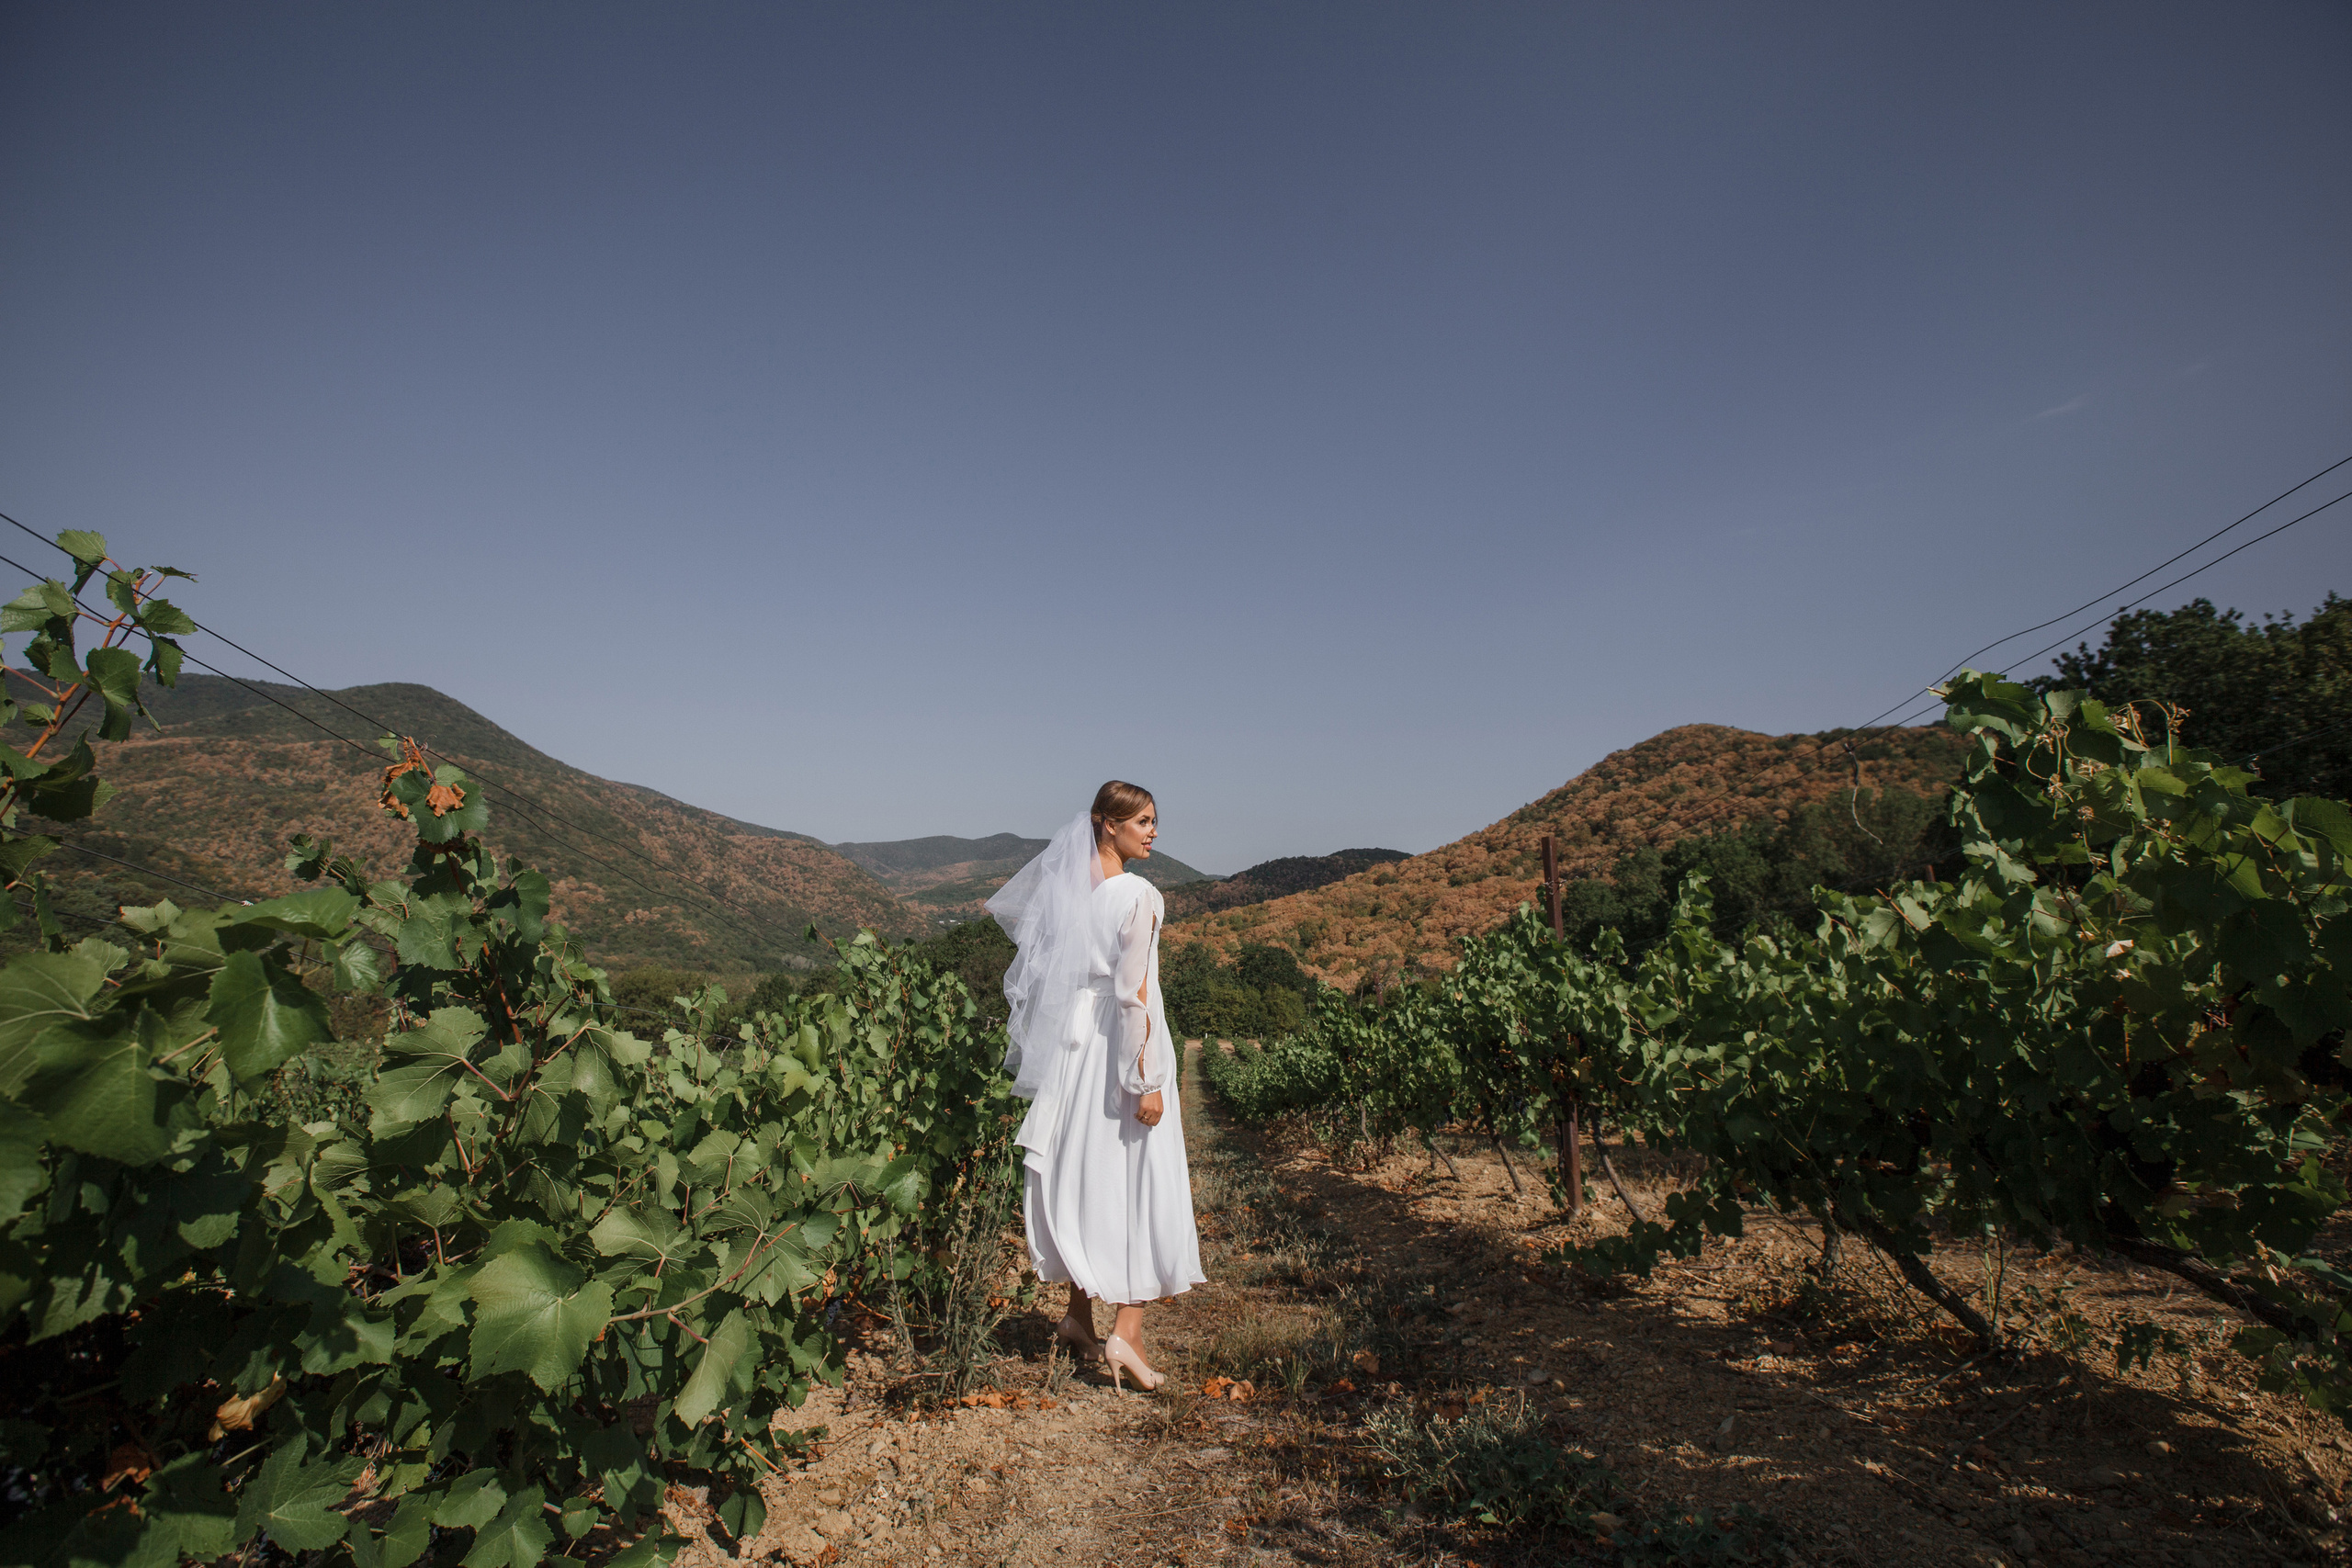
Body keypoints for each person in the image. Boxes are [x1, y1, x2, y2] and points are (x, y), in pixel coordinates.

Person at [987, 780, 1204, 1393]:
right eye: (1141, 821)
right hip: (1118, 1051)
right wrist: (1147, 1079)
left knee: (1091, 1177)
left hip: (1076, 1058)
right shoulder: (1139, 895)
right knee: (1138, 1183)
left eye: (1154, 820)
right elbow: (1133, 995)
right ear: (1106, 824)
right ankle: (1126, 1333)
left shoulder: (1071, 898)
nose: (1152, 831)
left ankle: (1079, 1316)